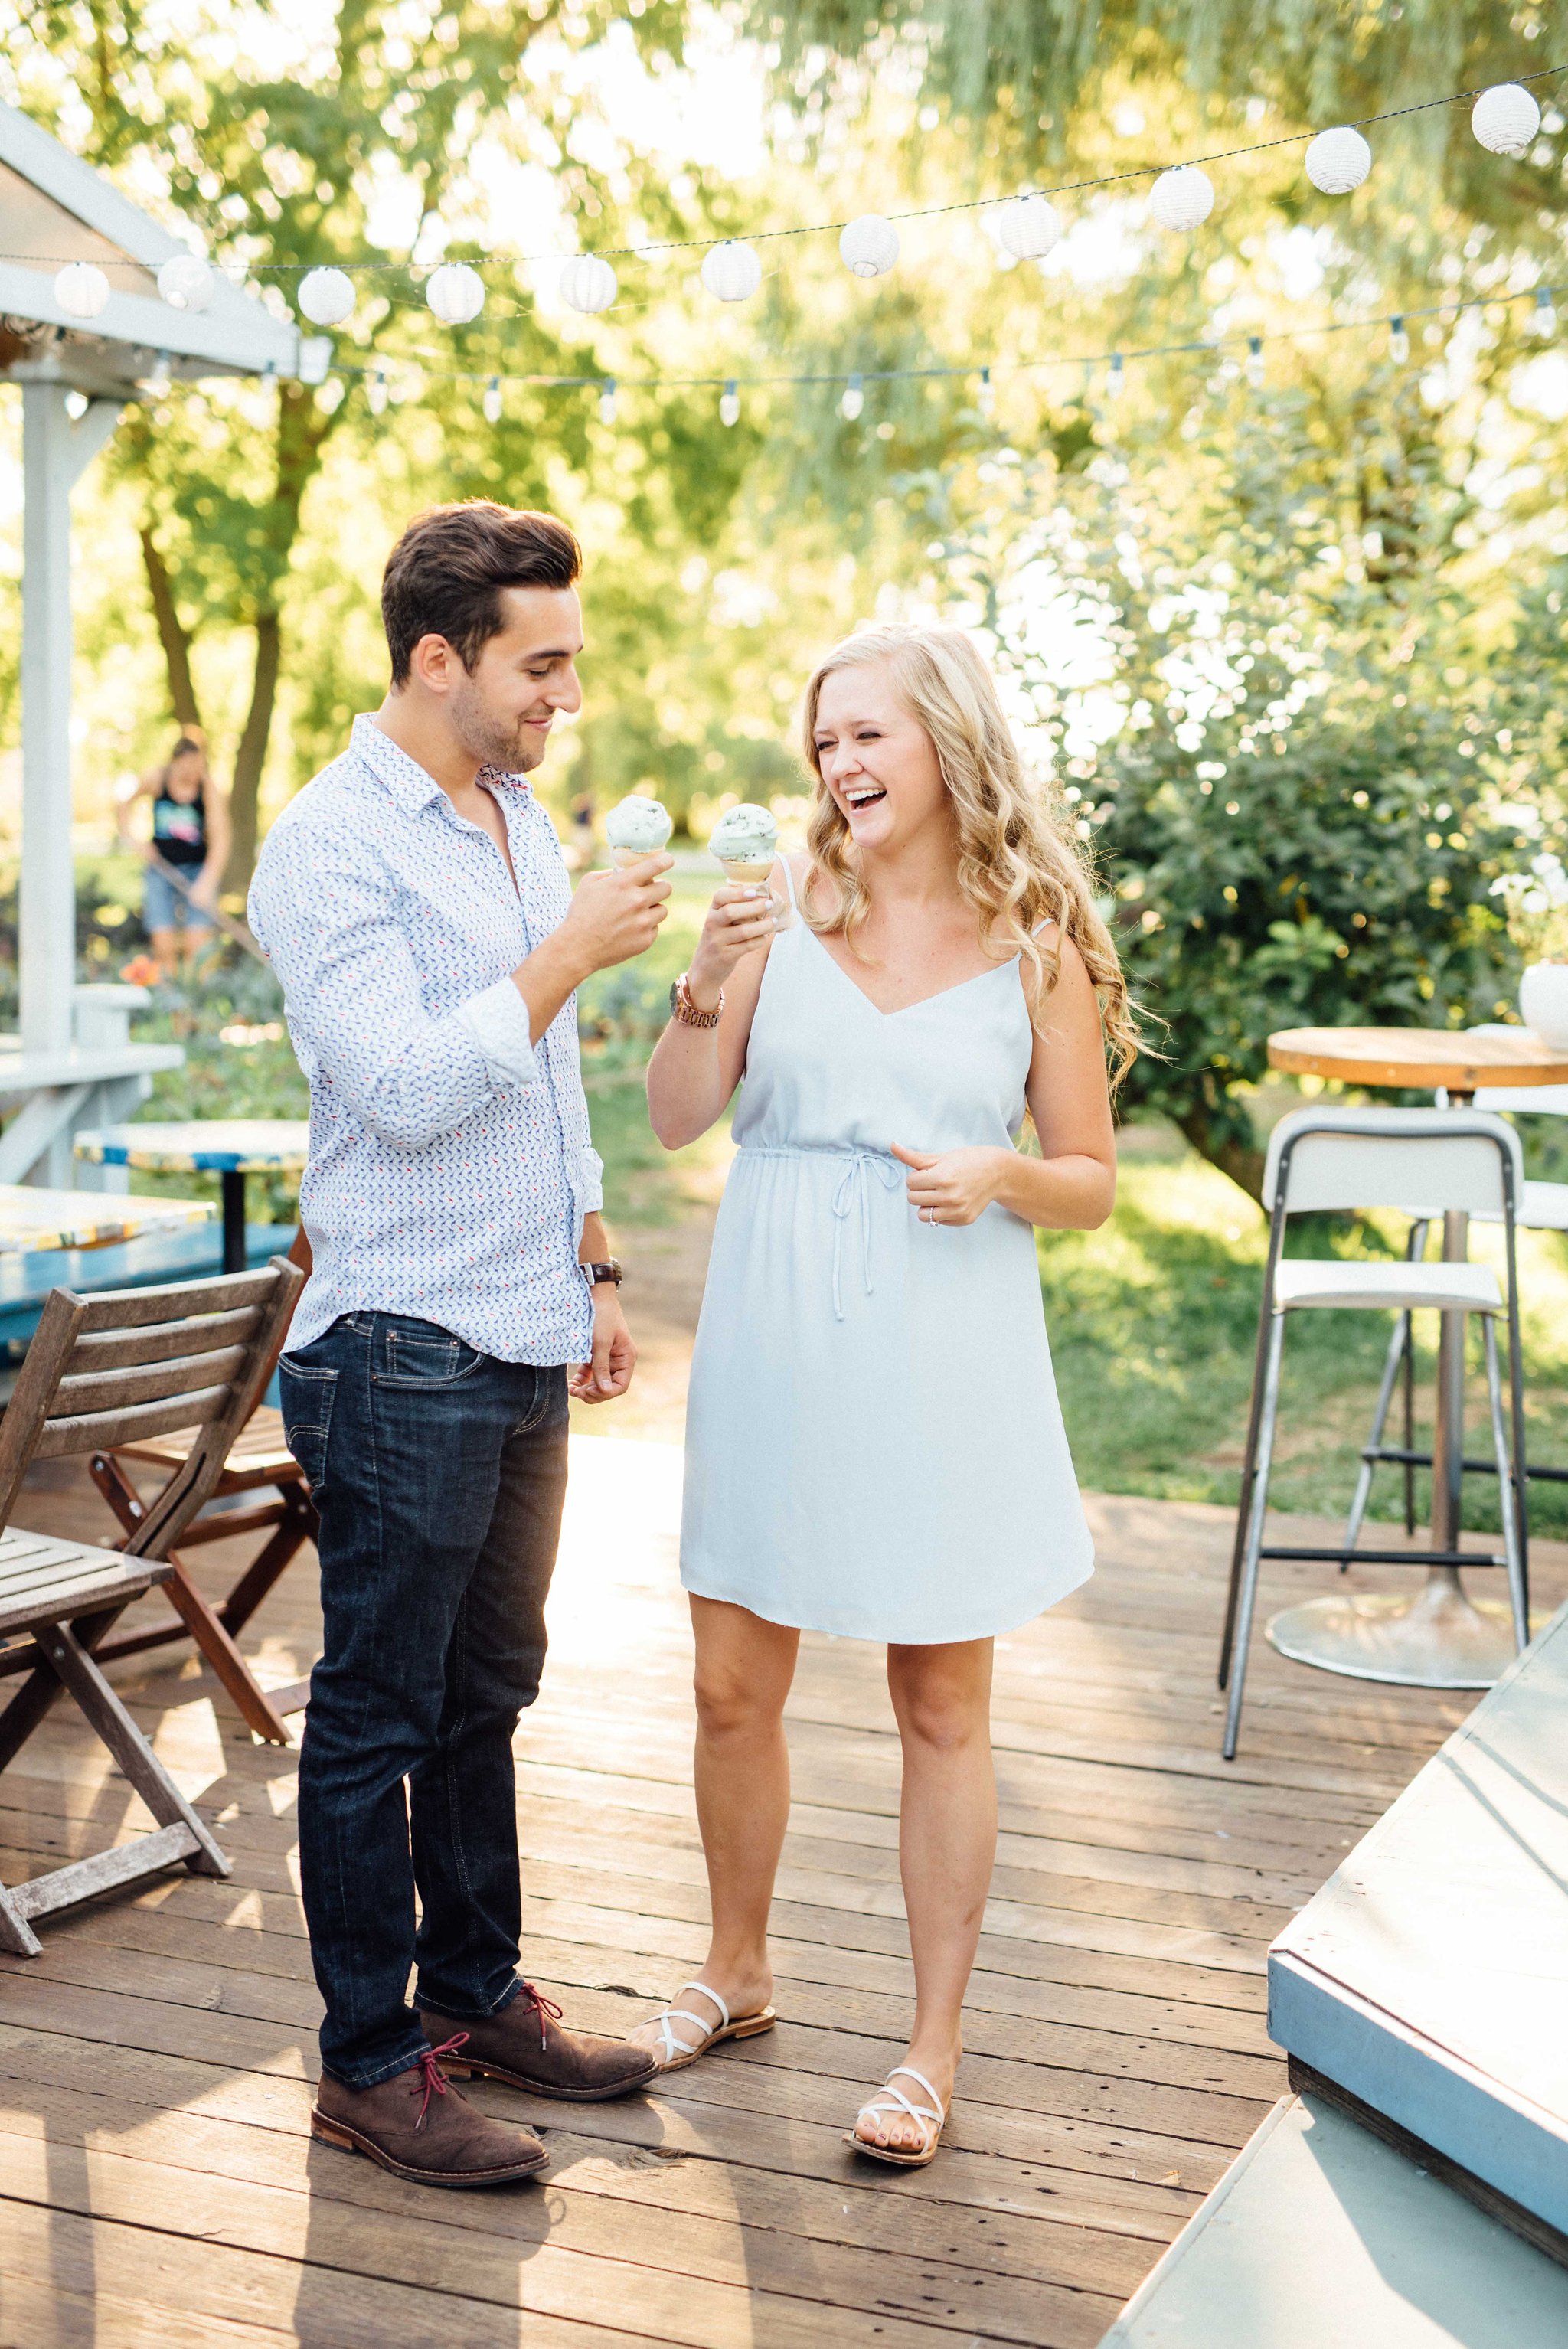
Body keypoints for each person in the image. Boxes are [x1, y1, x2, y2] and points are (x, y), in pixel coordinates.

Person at [640, 623, 1137, 2168]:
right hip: (777, 1304)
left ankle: (930, 2045)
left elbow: (1093, 1183)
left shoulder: (1035, 933)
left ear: (945, 741)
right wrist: (702, 986)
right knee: (733, 1677)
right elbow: (671, 1122)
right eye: (824, 742)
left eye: (868, 735)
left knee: (937, 1697)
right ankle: (737, 1967)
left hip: (945, 1327)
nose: (841, 767)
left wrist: (1001, 1173)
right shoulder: (776, 908)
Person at [248, 501, 675, 2189]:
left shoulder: (515, 814)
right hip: (398, 1339)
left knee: (488, 1691)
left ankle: (477, 1990)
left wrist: (597, 1257)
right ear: (439, 659)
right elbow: (410, 1090)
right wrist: (566, 950)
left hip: (518, 1324)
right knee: (375, 1709)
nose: (565, 695)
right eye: (540, 665)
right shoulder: (326, 846)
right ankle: (366, 2062)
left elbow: (549, 1075)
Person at [119, 728, 230, 978]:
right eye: (188, 767)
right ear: (175, 763)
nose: (193, 774)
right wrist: (134, 841)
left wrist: (206, 883)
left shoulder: (208, 789)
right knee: (164, 947)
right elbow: (123, 804)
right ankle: (172, 1010)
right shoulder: (157, 779)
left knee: (198, 948)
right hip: (161, 869)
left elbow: (221, 841)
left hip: (197, 870)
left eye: (198, 767)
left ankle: (196, 1008)